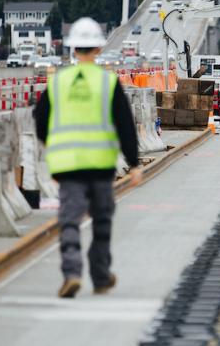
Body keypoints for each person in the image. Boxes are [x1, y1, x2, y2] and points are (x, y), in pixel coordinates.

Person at [33, 17, 142, 299]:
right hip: (101, 165)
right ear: (98, 48)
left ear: (72, 49)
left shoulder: (57, 82)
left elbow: (40, 119)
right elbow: (124, 124)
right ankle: (101, 276)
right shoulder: (107, 82)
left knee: (69, 218)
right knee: (102, 221)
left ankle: (71, 273)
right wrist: (134, 164)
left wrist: (54, 147)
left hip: (67, 166)